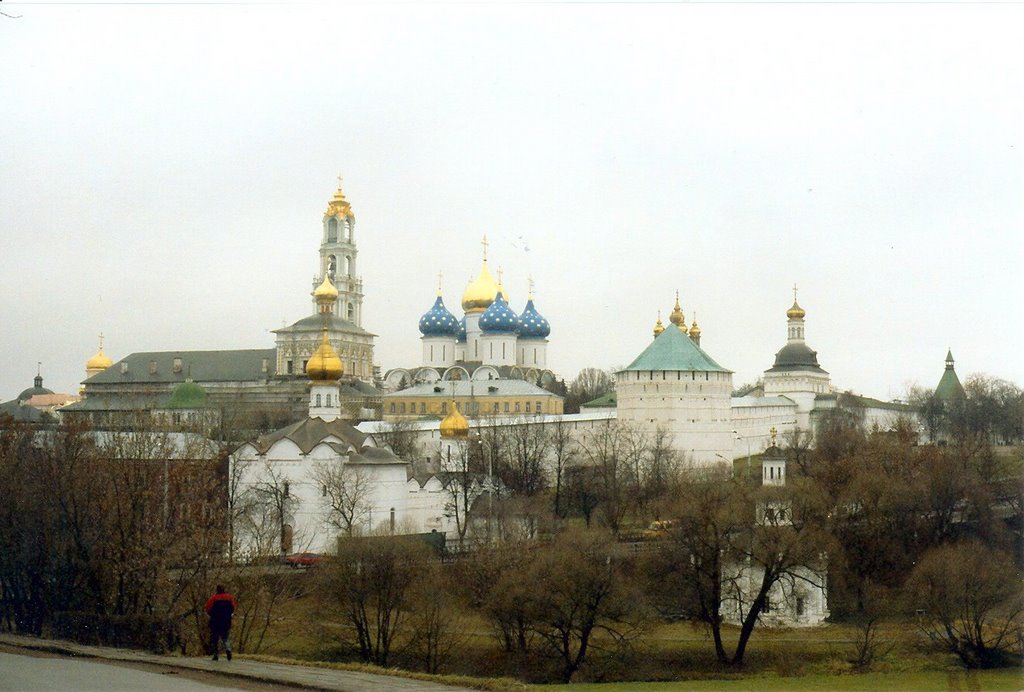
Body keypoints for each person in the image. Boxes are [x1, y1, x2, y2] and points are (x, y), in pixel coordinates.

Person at [204, 585, 237, 661]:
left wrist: (211, 614)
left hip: (215, 621)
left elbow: (207, 607)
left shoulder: (213, 598)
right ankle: (228, 649)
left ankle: (216, 655)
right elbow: (233, 608)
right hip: (226, 622)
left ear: (217, 590)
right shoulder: (229, 597)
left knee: (215, 639)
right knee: (225, 638)